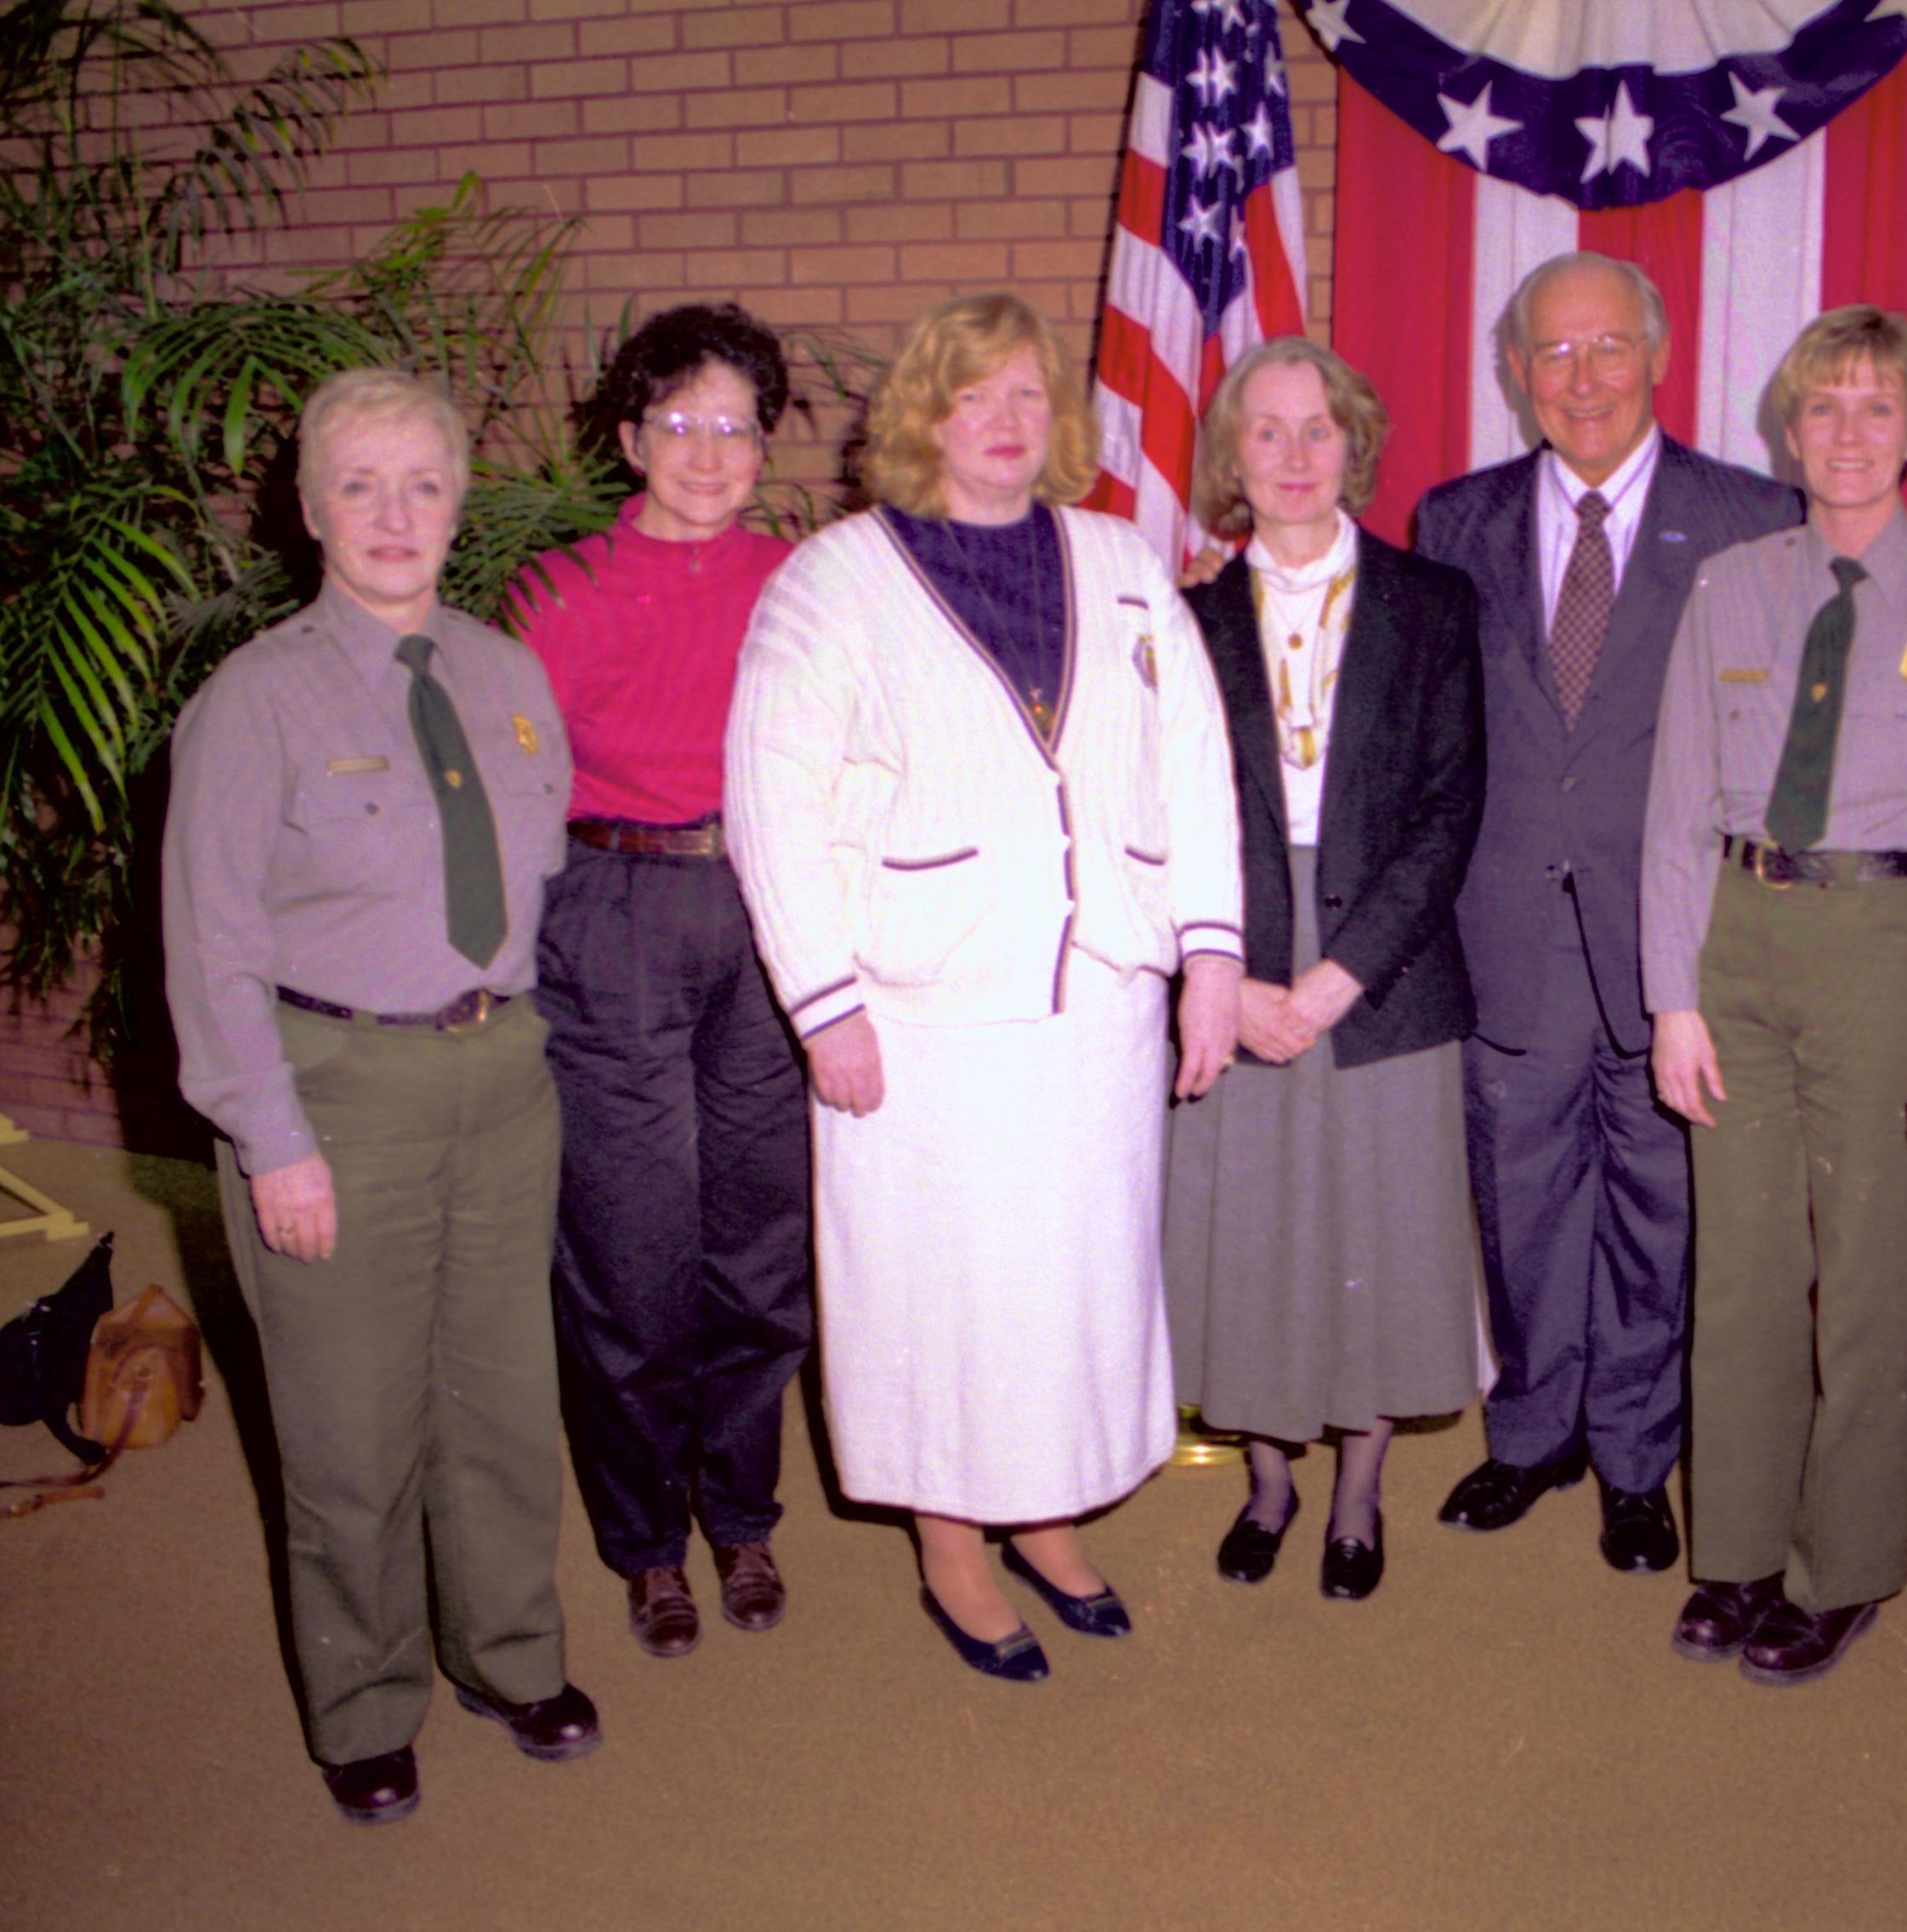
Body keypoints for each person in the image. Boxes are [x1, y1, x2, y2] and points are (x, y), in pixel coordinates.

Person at [723, 292, 1243, 1682]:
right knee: (939, 1290)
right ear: (924, 416)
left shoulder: (1122, 559)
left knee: (1070, 1281)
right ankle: (952, 1542)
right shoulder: (833, 579)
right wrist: (820, 998)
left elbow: (1194, 758)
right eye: (975, 396)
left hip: (1098, 1001)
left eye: (1028, 395)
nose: (1007, 422)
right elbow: (771, 794)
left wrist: (1212, 948)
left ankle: (1049, 1515)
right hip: (919, 1007)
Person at [164, 368, 598, 1825]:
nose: (394, 513)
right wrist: (270, 1140)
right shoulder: (255, 700)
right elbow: (212, 945)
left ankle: (512, 1652)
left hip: (500, 1077)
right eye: (360, 483)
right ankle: (364, 1701)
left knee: (501, 1397)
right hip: (336, 1090)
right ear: (308, 510)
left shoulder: (506, 675)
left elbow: (538, 888)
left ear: (459, 499)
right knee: (350, 1427)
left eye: (422, 481)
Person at [1641, 306, 1907, 1686]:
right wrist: (1672, 998)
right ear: (1789, 431)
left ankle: (1846, 1566)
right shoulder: (1730, 587)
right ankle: (1736, 1551)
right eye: (1826, 409)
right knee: (1740, 1273)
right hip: (1736, 941)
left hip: (1887, 941)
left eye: (1878, 409)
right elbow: (1681, 802)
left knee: (1866, 1277)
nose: (1850, 433)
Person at [1415, 252, 1800, 1569]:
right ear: (1515, 372)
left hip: (1674, 938)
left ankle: (1637, 1456)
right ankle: (1532, 1434)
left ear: (1659, 356)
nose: (1582, 378)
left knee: (1657, 1204)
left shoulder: (1754, 516)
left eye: (1607, 348)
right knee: (1518, 1198)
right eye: (1553, 354)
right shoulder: (1450, 519)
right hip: (1505, 925)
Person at [509, 303, 812, 1661]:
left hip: (764, 911)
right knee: (633, 1253)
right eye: (678, 423)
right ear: (630, 439)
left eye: (734, 426)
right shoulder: (558, 591)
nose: (706, 452)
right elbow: (509, 789)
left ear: (765, 445)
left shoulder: (805, 580)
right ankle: (646, 1544)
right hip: (612, 908)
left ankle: (741, 1510)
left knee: (757, 1239)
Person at [1166, 338, 1487, 1602]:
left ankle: (1356, 1491)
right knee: (1248, 1232)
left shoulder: (1434, 603)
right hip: (1230, 962)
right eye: (1267, 432)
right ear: (1233, 458)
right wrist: (1228, 975)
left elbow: (1453, 807)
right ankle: (1268, 1481)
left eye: (1319, 429)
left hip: (1386, 973)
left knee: (1381, 1235)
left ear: (1354, 442)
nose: (1295, 456)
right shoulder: (1182, 621)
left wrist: (1344, 972)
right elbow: (1160, 819)